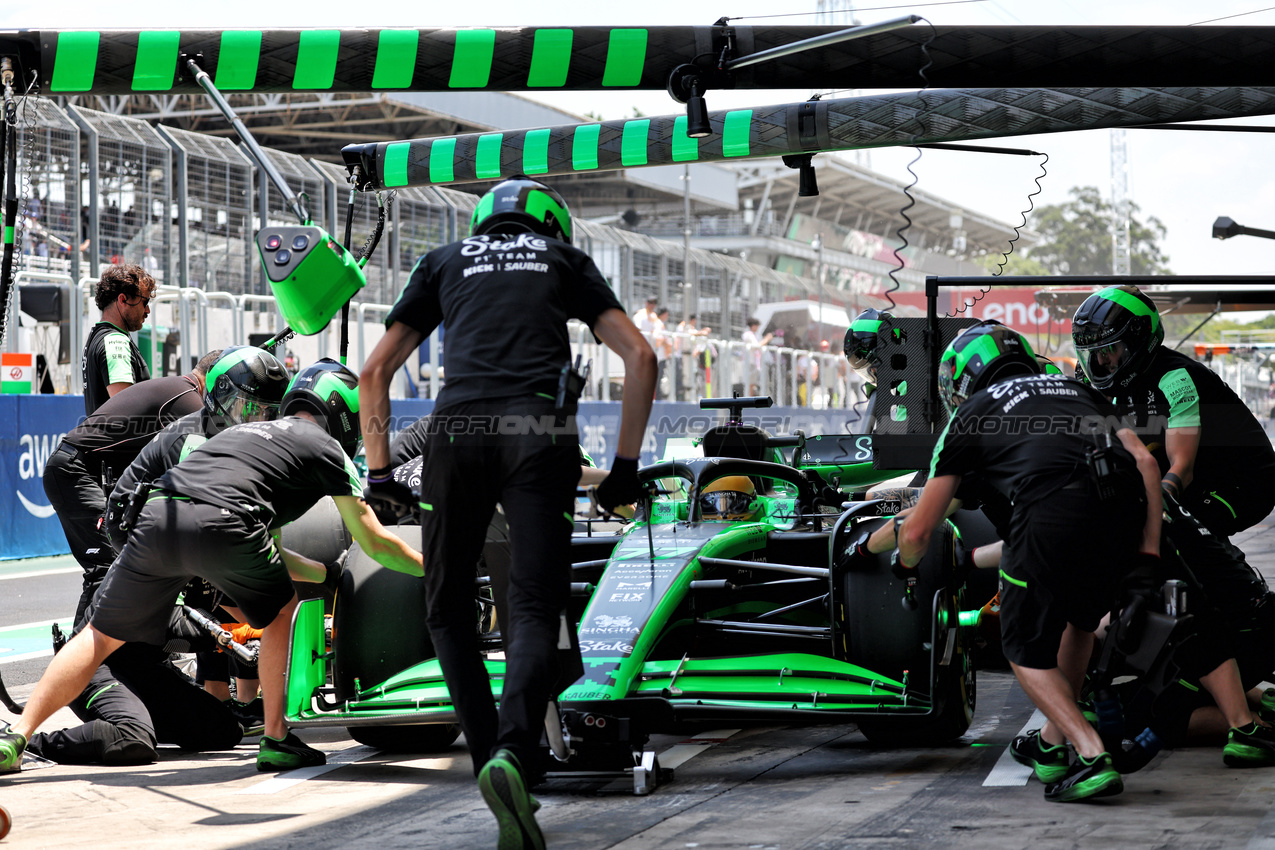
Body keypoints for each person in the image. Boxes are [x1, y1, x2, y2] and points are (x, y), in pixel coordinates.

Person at [359, 175, 655, 850]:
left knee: (446, 605)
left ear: (485, 221)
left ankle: (488, 749)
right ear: (550, 224)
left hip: (454, 434)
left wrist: (379, 471)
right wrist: (625, 472)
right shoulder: (563, 261)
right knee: (531, 603)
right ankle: (516, 753)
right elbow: (640, 355)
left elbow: (373, 372)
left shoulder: (443, 261)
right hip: (539, 434)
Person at [1, 359, 424, 775]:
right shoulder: (326, 447)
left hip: (160, 514)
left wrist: (324, 572)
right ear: (345, 416)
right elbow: (375, 541)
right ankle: (276, 738)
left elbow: (267, 546)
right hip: (226, 521)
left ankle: (16, 737)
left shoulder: (235, 436)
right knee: (283, 610)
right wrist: (434, 567)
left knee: (97, 636)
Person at [891, 320, 1163, 801]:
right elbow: (1145, 463)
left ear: (961, 379)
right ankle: (1054, 744)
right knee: (1080, 622)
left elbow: (917, 529)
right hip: (1120, 509)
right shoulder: (1072, 386)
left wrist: (904, 561)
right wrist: (1147, 558)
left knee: (1021, 648)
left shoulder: (972, 412)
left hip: (1049, 512)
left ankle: (1091, 752)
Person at [1073, 285, 1275, 546]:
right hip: (1203, 475)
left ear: (1136, 340)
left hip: (1245, 484)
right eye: (1095, 353)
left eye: (1109, 350)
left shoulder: (1176, 377)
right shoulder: (1121, 386)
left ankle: (1236, 583)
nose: (1101, 363)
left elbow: (1183, 469)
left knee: (1173, 530)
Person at [45, 349, 222, 626]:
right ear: (213, 379)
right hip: (74, 471)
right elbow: (216, 446)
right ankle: (83, 661)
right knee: (105, 566)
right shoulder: (187, 397)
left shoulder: (177, 388)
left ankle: (116, 658)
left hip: (80, 468)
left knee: (120, 564)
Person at [82, 264, 156, 415]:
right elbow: (127, 410)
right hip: (118, 438)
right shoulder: (115, 341)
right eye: (145, 302)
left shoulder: (97, 335)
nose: (147, 310)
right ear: (123, 300)